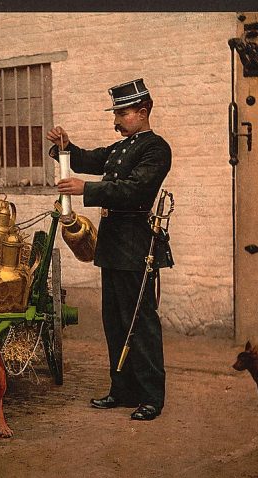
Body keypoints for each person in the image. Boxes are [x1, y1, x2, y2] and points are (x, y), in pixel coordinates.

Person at [46, 78, 172, 421]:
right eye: (116, 112)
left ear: (142, 112)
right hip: (115, 246)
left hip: (137, 246)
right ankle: (122, 390)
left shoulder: (155, 149)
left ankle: (151, 396)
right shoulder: (121, 148)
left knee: (139, 321)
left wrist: (86, 188)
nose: (116, 120)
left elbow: (134, 190)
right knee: (115, 321)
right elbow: (88, 158)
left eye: (122, 113)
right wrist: (65, 146)